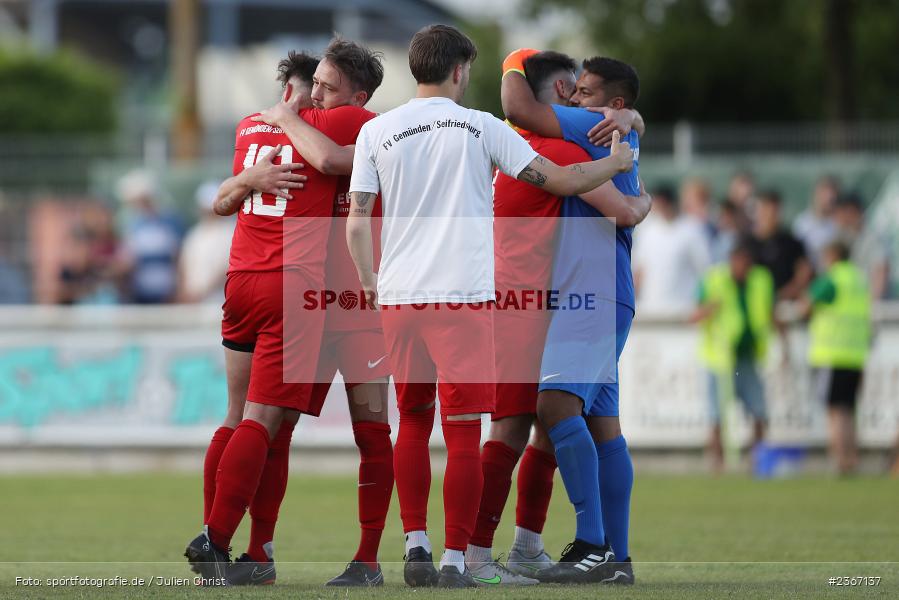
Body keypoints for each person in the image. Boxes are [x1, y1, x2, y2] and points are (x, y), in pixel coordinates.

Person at [346, 26, 633, 589]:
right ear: (458, 71)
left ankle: (416, 546)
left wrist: (370, 281)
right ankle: (459, 560)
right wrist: (616, 163)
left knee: (411, 423)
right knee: (463, 432)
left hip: (401, 297)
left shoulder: (377, 130)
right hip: (465, 299)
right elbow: (562, 178)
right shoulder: (480, 127)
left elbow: (357, 220)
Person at [183, 45, 381, 585]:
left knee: (240, 416)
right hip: (295, 287)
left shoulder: (250, 126)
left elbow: (222, 200)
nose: (319, 96)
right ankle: (217, 540)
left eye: (327, 87)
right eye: (315, 86)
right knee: (266, 421)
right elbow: (333, 161)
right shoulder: (334, 121)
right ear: (301, 90)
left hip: (241, 280)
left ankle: (254, 552)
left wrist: (249, 177)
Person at [467, 50, 649, 586]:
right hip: (586, 296)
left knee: (545, 408)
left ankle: (586, 544)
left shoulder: (580, 133)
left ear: (608, 104)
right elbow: (624, 203)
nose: (576, 98)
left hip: (580, 298)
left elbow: (518, 104)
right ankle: (614, 557)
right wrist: (633, 134)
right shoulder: (599, 131)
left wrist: (513, 60)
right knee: (599, 426)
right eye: (572, 89)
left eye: (585, 92)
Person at [692, 238, 782, 473]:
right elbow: (695, 314)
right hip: (720, 358)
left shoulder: (761, 280)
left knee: (759, 410)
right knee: (716, 414)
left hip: (748, 356)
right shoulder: (714, 280)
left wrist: (782, 339)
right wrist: (709, 309)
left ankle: (758, 460)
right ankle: (717, 463)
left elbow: (769, 311)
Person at [797, 241, 871, 475]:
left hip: (832, 353)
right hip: (856, 353)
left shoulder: (831, 279)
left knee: (834, 410)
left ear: (833, 255)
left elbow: (805, 307)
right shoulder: (858, 279)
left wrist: (803, 281)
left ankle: (839, 460)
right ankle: (852, 459)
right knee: (849, 410)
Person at [632, 185, 710, 315]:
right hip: (650, 309)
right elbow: (639, 271)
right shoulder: (647, 231)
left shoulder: (692, 229)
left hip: (683, 309)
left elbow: (705, 270)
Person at [117, 170, 184, 304]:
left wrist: (177, 289)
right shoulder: (131, 224)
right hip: (139, 293)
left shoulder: (170, 221)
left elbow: (178, 258)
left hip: (166, 292)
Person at [177, 181, 234, 304]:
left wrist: (203, 292)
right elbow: (184, 265)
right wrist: (186, 293)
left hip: (219, 300)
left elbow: (228, 268)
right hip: (195, 303)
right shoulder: (195, 234)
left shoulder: (230, 232)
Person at [750, 190, 813, 300]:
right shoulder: (746, 243)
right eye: (764, 211)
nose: (768, 217)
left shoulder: (792, 243)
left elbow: (804, 273)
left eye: (773, 212)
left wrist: (783, 295)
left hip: (785, 304)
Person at [834, 193, 890, 301]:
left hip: (869, 305)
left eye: (842, 212)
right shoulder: (842, 237)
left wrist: (874, 302)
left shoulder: (874, 238)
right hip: (849, 303)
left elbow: (881, 272)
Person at [794, 175, 840, 271]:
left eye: (831, 196)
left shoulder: (838, 224)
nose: (827, 199)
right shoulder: (802, 223)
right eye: (824, 193)